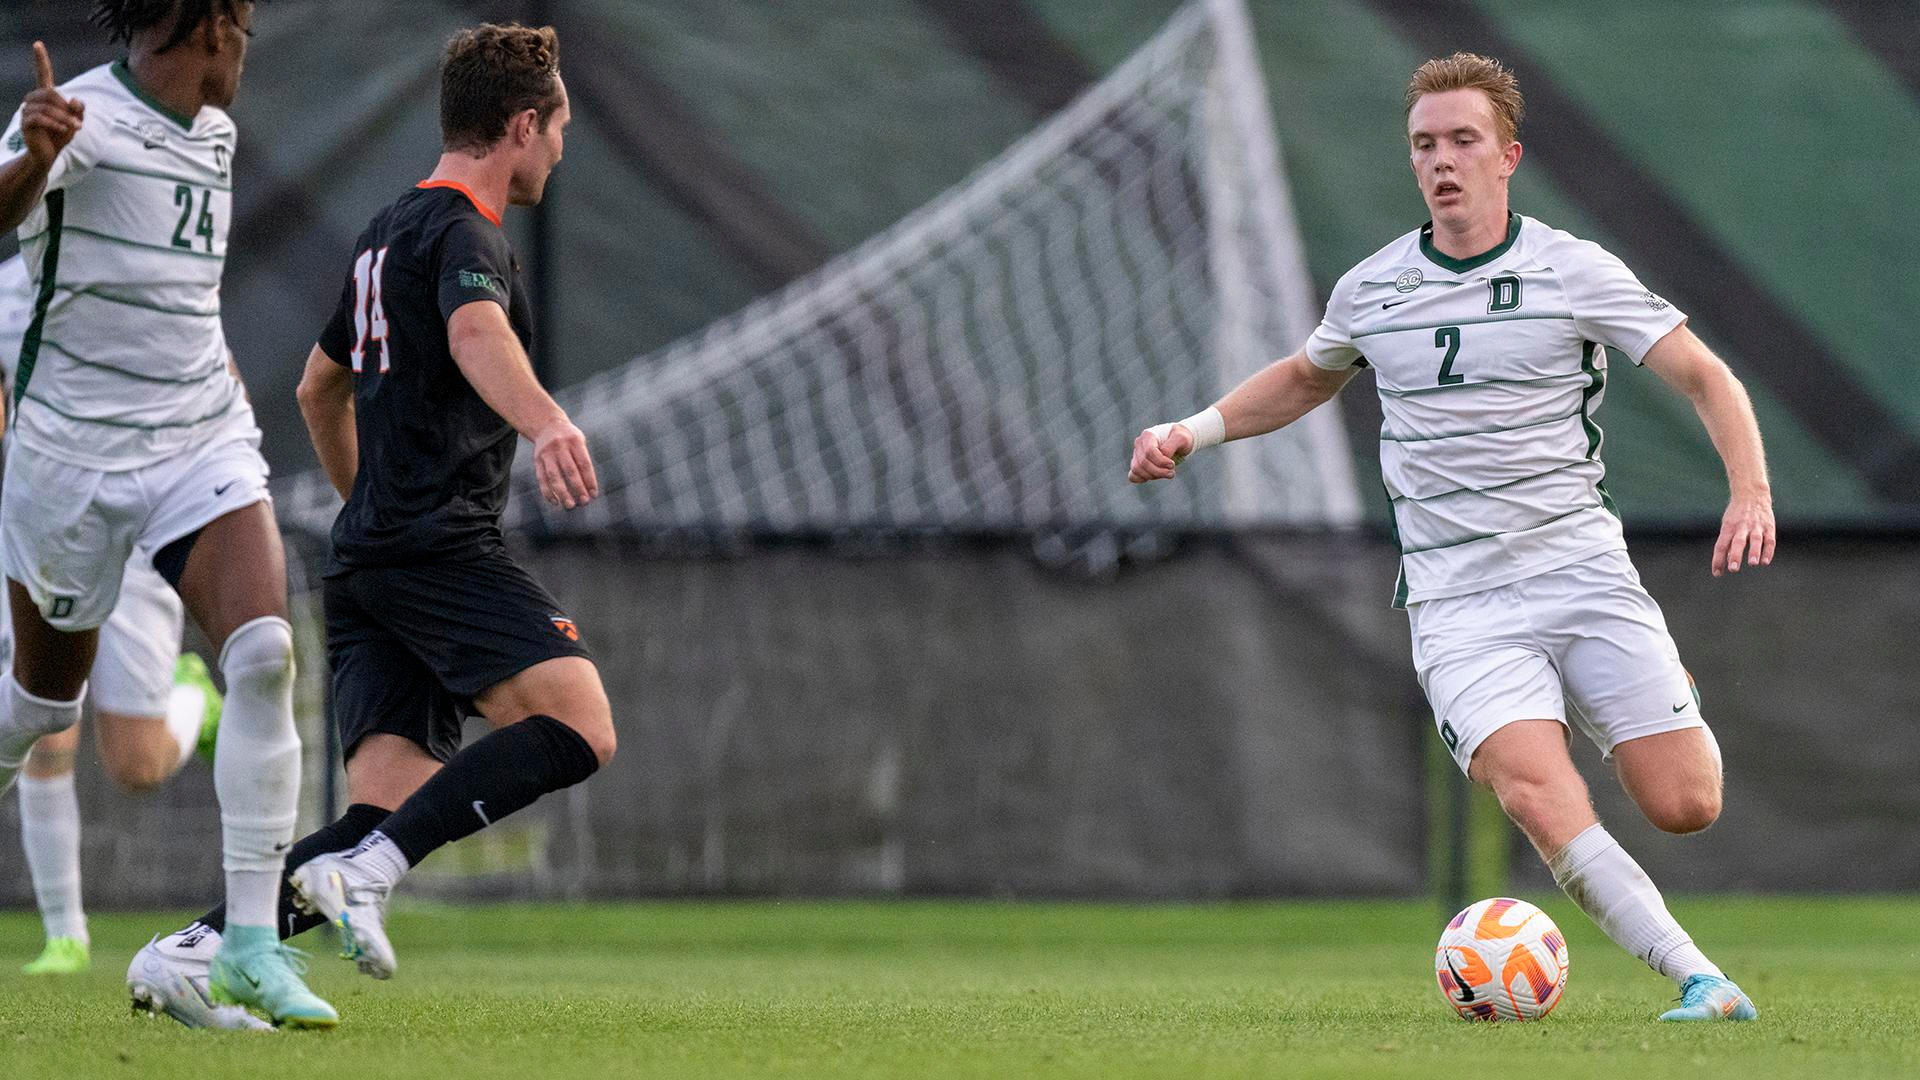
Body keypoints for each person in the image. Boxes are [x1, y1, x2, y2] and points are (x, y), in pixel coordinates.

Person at [1129, 52, 1771, 1023]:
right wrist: (1193, 430)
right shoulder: (1374, 288)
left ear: (1507, 155)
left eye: (1464, 140)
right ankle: (1700, 980)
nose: (1443, 160)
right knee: (1536, 794)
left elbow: (1706, 377)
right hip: (1460, 602)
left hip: (1581, 569)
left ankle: (1658, 696)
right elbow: (1306, 377)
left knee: (1685, 803)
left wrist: (1751, 493)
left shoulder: (1571, 269)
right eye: (1426, 144)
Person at [130, 20, 612, 1018]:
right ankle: (378, 870)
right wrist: (549, 419)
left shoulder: (386, 229)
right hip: (438, 548)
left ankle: (188, 951)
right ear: (523, 125)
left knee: (377, 809)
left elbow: (318, 390)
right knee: (580, 721)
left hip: (374, 559)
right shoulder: (468, 238)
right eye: (560, 128)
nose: (563, 150)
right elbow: (476, 331)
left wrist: (373, 518)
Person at [0, 1, 333, 1028]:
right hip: (73, 459)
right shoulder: (77, 117)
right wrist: (33, 160)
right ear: (211, 29)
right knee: (41, 712)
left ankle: (243, 946)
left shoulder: (218, 132)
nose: (249, 52)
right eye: (244, 27)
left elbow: (179, 288)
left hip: (199, 434)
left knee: (268, 652)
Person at [0, 253, 225, 978]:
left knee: (135, 764)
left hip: (131, 534)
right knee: (43, 715)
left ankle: (195, 702)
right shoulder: (7, 289)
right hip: (42, 529)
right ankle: (66, 935)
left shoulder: (139, 259)